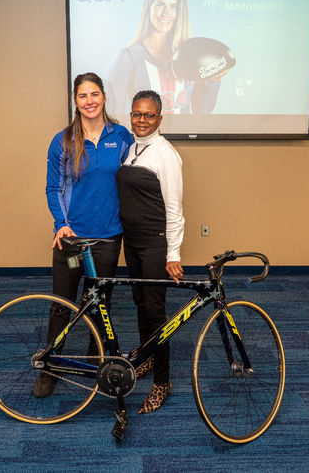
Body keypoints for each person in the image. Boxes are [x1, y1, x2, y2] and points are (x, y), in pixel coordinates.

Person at [34, 72, 133, 398]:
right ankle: (51, 366)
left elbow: (132, 182)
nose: (89, 101)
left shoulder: (121, 137)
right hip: (72, 239)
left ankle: (95, 356)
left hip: (107, 237)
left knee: (99, 302)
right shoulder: (62, 141)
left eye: (94, 94)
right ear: (75, 101)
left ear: (103, 96)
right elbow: (53, 188)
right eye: (82, 96)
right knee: (62, 304)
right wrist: (61, 223)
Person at [116, 90, 184, 413]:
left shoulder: (165, 154)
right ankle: (145, 357)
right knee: (140, 303)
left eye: (149, 115)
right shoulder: (131, 149)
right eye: (136, 114)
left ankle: (162, 382)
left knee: (156, 313)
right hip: (133, 242)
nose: (142, 120)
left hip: (156, 244)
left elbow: (174, 208)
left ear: (159, 118)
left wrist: (174, 254)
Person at [107, 0, 221, 116]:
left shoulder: (191, 55)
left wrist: (215, 80)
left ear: (180, 12)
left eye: (173, 6)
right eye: (160, 4)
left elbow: (201, 110)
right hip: (142, 138)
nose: (165, 13)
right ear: (149, 7)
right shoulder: (128, 57)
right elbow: (113, 114)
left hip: (182, 136)